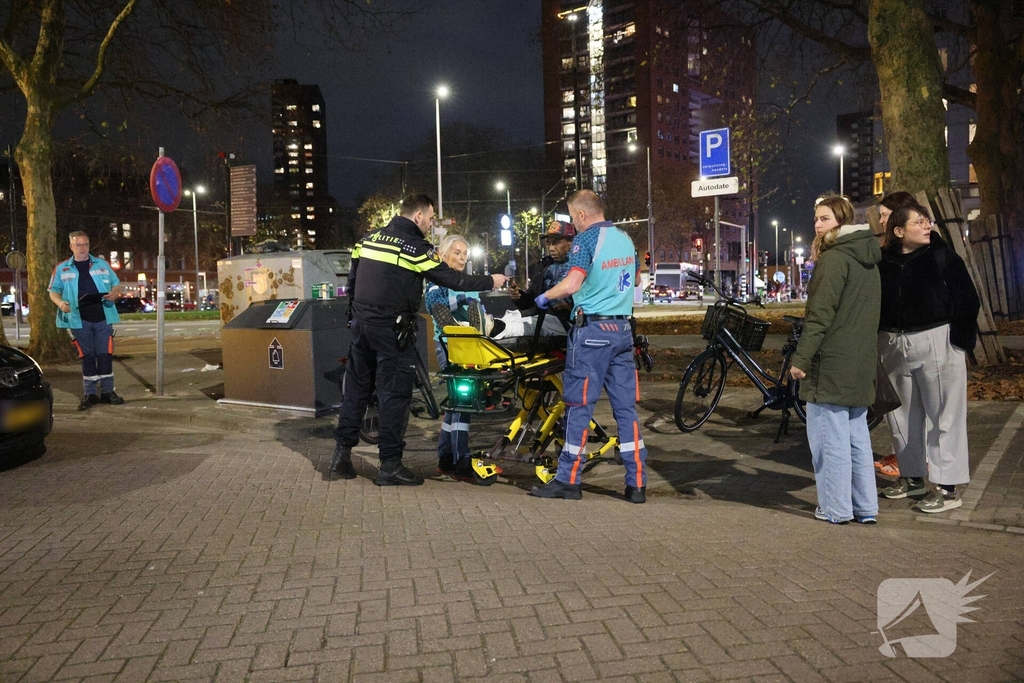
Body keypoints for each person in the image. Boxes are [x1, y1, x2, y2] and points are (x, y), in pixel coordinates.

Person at [331, 194, 506, 485]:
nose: (430, 224)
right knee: (394, 397)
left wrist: (354, 317)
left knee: (356, 392)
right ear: (418, 216)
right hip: (391, 332)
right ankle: (390, 465)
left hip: (361, 328)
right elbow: (452, 279)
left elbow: (352, 282)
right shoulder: (414, 247)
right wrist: (491, 281)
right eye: (430, 218)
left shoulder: (368, 240)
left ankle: (341, 457)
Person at [528, 189, 647, 503]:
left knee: (579, 407)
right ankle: (637, 485)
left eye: (573, 216)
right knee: (626, 410)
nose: (574, 223)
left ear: (581, 214)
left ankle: (568, 481)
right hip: (623, 331)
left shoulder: (586, 240)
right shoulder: (626, 239)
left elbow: (573, 283)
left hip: (592, 332)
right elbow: (636, 280)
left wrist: (545, 296)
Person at [877, 200, 979, 513]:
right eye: (918, 222)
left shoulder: (941, 256)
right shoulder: (882, 261)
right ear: (898, 231)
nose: (926, 226)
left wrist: (958, 342)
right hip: (893, 343)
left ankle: (948, 488)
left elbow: (967, 298)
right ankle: (912, 478)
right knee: (901, 415)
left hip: (937, 339)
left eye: (927, 221)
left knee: (944, 415)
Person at [789, 194, 881, 525]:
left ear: (841, 221)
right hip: (860, 361)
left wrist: (801, 359)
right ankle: (865, 506)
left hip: (831, 362)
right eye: (816, 218)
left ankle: (836, 508)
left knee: (830, 441)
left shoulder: (834, 260)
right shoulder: (868, 258)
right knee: (857, 438)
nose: (817, 224)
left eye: (825, 218)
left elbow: (819, 317)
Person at [424, 235, 496, 484]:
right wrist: (462, 304)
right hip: (450, 346)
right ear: (443, 255)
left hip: (471, 346)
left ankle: (446, 459)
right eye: (457, 253)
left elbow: (479, 313)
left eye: (465, 253)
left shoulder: (468, 282)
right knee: (463, 404)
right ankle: (461, 461)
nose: (462, 258)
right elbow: (437, 308)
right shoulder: (437, 281)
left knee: (456, 404)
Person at [48, 230, 124, 411]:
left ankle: (108, 392)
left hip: (103, 318)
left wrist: (115, 293)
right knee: (87, 357)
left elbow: (116, 284)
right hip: (78, 320)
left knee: (105, 355)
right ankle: (90, 394)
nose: (82, 248)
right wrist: (60, 303)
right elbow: (53, 290)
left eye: (85, 244)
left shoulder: (102, 264)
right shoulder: (62, 268)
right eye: (78, 245)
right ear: (71, 246)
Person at [872, 191, 918, 478]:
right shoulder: (888, 251)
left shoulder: (910, 253)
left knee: (905, 401)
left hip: (904, 338)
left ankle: (910, 462)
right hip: (893, 336)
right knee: (898, 401)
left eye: (885, 215)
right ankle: (904, 455)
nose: (881, 221)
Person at [508, 219, 576, 326]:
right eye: (548, 243)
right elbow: (532, 302)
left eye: (556, 243)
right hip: (541, 315)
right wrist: (518, 296)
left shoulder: (581, 266)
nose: (551, 248)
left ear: (571, 243)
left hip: (567, 321)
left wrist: (571, 308)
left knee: (514, 327)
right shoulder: (543, 266)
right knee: (509, 318)